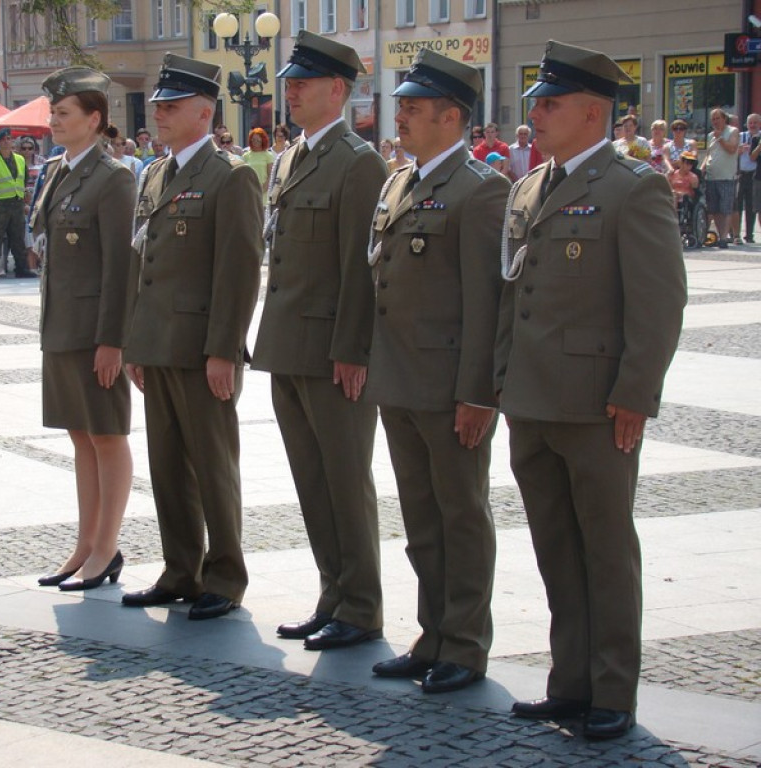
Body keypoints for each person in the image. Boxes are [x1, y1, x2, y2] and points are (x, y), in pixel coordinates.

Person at [496, 40, 687, 741]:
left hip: (596, 404)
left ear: (591, 111)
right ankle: (568, 682)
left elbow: (660, 299)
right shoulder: (528, 186)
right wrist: (497, 384)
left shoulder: (631, 186)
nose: (536, 114)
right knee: (555, 549)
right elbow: (510, 296)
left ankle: (612, 689)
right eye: (537, 103)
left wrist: (636, 391)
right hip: (532, 402)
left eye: (549, 103)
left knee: (605, 550)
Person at [366, 48, 508, 693]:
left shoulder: (481, 191)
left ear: (453, 117)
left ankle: (466, 643)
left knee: (461, 515)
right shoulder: (401, 181)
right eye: (400, 107)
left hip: (449, 386)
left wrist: (478, 393)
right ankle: (431, 635)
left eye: (414, 109)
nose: (401, 118)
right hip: (399, 380)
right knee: (422, 520)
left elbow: (487, 303)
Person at [253, 30, 388, 650]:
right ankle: (332, 592)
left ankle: (360, 606)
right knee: (311, 480)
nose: (291, 93)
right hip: (288, 345)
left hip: (332, 353)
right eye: (289, 84)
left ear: (338, 89)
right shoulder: (291, 158)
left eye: (303, 84)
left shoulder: (358, 163)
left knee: (344, 479)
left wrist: (353, 348)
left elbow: (362, 267)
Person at [122, 53, 263, 621]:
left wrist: (224, 350)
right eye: (158, 105)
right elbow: (144, 262)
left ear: (204, 114)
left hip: (203, 349)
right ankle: (181, 568)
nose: (159, 113)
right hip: (159, 345)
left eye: (171, 106)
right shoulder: (156, 174)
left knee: (213, 466)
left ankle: (224, 576)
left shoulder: (230, 176)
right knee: (168, 467)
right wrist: (136, 341)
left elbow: (239, 271)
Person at [30, 67, 138, 592]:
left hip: (95, 331)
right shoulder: (59, 170)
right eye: (53, 112)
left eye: (64, 112)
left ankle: (107, 547)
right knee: (80, 437)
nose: (53, 120)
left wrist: (113, 340)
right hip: (62, 326)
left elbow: (122, 266)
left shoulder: (113, 178)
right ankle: (86, 543)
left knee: (106, 435)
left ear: (95, 119)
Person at [0, 128, 36, 279]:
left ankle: (21, 268)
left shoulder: (20, 159)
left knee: (18, 238)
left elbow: (23, 180)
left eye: (9, 138)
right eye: (3, 139)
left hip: (16, 203)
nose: (6, 141)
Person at [703, 108, 738, 248]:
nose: (716, 121)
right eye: (713, 119)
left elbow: (732, 149)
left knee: (726, 208)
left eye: (718, 118)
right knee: (715, 209)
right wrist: (702, 167)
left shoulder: (732, 131)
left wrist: (721, 138)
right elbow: (708, 154)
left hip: (726, 176)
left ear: (724, 119)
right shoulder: (710, 135)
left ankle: (724, 237)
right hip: (712, 176)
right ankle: (720, 235)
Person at [734, 113, 760, 243]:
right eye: (750, 123)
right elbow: (733, 153)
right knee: (737, 205)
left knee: (752, 206)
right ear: (747, 124)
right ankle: (736, 234)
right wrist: (739, 150)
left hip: (755, 175)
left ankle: (749, 235)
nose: (753, 125)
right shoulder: (740, 136)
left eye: (755, 122)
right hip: (741, 173)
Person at [242, 127, 275, 199]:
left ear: (263, 140)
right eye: (253, 140)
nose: (255, 142)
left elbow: (271, 175)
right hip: (249, 192)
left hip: (264, 194)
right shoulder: (246, 156)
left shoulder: (268, 155)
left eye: (258, 140)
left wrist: (262, 190)